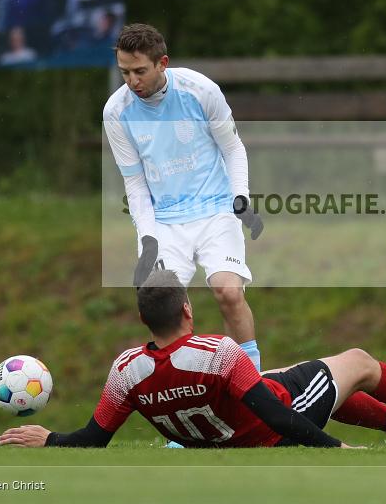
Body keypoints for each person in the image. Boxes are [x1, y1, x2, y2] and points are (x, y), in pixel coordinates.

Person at [0, 270, 386, 449]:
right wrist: (332, 447)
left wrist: (51, 439)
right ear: (187, 309)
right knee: (358, 362)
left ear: (145, 320)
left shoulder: (126, 371)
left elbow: (94, 437)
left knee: (292, 377)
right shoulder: (218, 352)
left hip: (221, 435)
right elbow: (279, 414)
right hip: (272, 428)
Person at [103, 23, 265, 372]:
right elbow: (135, 184)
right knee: (168, 312)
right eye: (124, 73)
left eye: (140, 71)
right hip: (163, 222)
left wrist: (241, 200)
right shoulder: (115, 112)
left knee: (229, 293)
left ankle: (253, 386)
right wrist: (147, 239)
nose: (132, 82)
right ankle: (189, 393)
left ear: (163, 63)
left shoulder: (200, 90)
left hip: (215, 209)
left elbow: (233, 148)